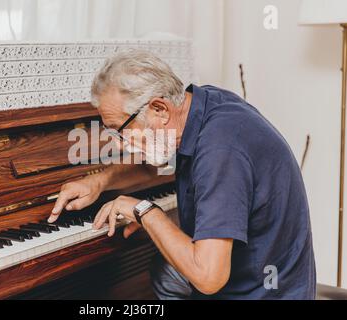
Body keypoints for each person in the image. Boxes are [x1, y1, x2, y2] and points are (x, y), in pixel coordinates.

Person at [48, 50, 316, 299]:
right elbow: (161, 161)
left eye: (120, 129)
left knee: (171, 272)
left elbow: (209, 278)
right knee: (165, 272)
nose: (118, 144)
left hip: (263, 292)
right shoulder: (203, 106)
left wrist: (144, 211)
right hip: (268, 271)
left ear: (159, 109)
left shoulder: (220, 151)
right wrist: (99, 181)